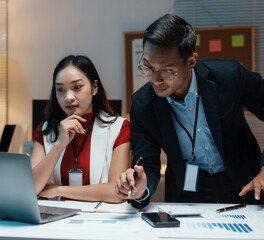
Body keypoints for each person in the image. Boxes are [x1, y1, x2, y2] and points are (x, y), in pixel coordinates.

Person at [115, 14, 264, 208]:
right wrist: (141, 188)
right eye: (148, 67)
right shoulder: (143, 104)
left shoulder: (229, 76)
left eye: (167, 71)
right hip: (188, 191)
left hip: (246, 183)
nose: (155, 79)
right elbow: (147, 163)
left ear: (191, 61)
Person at [31, 55, 130, 203]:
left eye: (77, 87)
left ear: (94, 88)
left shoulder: (119, 128)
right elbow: (31, 188)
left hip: (99, 219)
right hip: (55, 218)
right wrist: (58, 145)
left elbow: (116, 193)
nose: (68, 97)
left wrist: (57, 190)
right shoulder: (44, 130)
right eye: (60, 89)